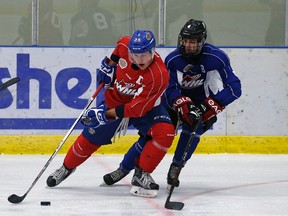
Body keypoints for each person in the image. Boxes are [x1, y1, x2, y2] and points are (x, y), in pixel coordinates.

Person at [102, 19, 242, 189]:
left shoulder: (216, 58)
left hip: (203, 103)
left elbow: (234, 88)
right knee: (151, 136)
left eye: (192, 42)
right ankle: (124, 168)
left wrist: (208, 106)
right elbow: (168, 87)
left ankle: (176, 167)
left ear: (202, 42)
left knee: (193, 131)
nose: (188, 45)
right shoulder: (173, 59)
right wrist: (182, 104)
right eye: (185, 41)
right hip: (174, 103)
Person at [46, 29, 175, 198]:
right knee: (90, 138)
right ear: (130, 51)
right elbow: (118, 46)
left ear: (153, 52)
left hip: (147, 109)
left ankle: (141, 174)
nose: (139, 59)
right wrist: (109, 65)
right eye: (135, 54)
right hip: (115, 101)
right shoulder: (124, 44)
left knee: (164, 133)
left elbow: (136, 109)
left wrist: (105, 115)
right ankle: (66, 167)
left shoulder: (159, 74)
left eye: (144, 54)